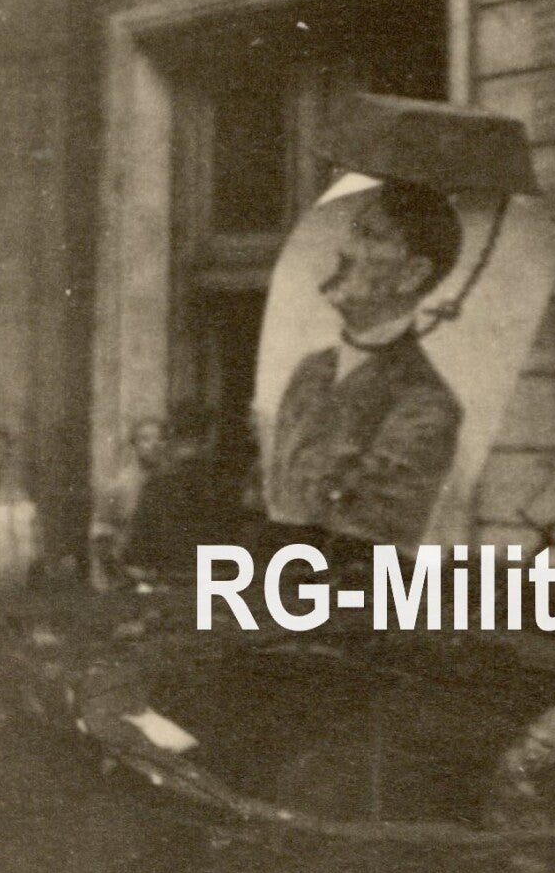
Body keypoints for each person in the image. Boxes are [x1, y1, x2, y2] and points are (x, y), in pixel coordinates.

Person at [264, 179, 463, 545]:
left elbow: (366, 534)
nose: (344, 250)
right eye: (353, 231)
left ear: (412, 274)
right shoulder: (312, 370)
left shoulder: (425, 404)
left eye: (369, 236)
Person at [121, 405, 236, 580]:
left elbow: (137, 556)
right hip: (217, 582)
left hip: (171, 583)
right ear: (210, 438)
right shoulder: (226, 483)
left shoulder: (157, 485)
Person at [90, 416, 165, 588]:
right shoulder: (119, 486)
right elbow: (100, 537)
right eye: (145, 439)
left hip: (163, 577)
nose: (154, 444)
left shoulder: (171, 484)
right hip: (129, 578)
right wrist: (121, 574)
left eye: (160, 438)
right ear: (134, 445)